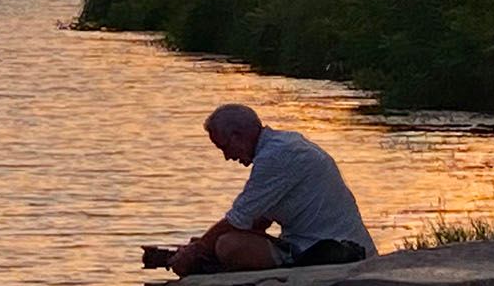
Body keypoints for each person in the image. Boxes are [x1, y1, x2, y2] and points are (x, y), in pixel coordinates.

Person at [143, 104, 375, 276]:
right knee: (217, 242)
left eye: (224, 147)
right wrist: (202, 245)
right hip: (312, 245)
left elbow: (238, 219)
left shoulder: (276, 157)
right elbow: (257, 221)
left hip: (330, 250)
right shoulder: (281, 146)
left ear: (237, 136)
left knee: (227, 246)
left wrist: (198, 249)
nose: (227, 157)